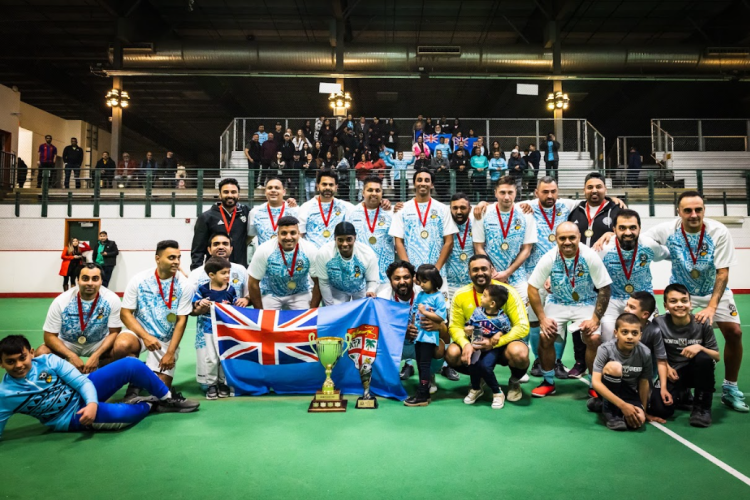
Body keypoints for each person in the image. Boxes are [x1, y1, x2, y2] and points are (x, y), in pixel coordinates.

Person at [645, 190, 747, 412]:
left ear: (704, 210)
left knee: (735, 333)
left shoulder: (718, 231)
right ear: (678, 211)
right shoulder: (667, 229)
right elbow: (641, 239)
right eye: (688, 210)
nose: (693, 214)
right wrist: (609, 236)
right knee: (664, 333)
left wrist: (711, 307)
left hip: (713, 289)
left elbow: (722, 273)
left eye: (698, 209)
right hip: (681, 291)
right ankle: (668, 380)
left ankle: (730, 388)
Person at [0, 336, 199, 440]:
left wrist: (92, 402)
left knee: (132, 364)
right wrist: (90, 406)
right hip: (70, 416)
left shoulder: (48, 360)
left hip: (85, 389)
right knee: (122, 415)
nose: (18, 365)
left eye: (22, 358)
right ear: (1, 364)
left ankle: (166, 397)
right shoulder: (5, 395)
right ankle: (150, 405)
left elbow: (82, 382)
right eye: (10, 362)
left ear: (31, 353)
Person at [527, 222, 612, 398]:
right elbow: (532, 287)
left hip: (585, 302)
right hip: (557, 301)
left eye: (572, 237)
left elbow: (604, 288)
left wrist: (595, 319)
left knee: (593, 338)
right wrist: (542, 318)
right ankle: (548, 382)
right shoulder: (549, 257)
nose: (567, 242)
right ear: (556, 239)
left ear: (579, 238)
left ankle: (594, 383)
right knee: (545, 336)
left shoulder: (590, 256)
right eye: (562, 238)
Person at [114, 240, 196, 399]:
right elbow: (125, 313)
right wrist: (146, 336)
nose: (177, 262)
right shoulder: (139, 280)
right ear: (157, 258)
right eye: (171, 258)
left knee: (160, 393)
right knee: (122, 345)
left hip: (165, 339)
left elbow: (181, 321)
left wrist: (170, 353)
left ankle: (142, 373)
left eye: (178, 257)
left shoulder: (185, 285)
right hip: (140, 334)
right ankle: (136, 376)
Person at [445, 255, 530, 404]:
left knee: (520, 353)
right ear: (469, 272)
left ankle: (514, 381)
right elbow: (455, 327)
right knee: (452, 354)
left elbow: (522, 326)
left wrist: (495, 341)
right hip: (475, 343)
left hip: (502, 344)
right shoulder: (460, 295)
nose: (480, 273)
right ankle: (480, 377)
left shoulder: (507, 292)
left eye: (484, 268)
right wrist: (465, 344)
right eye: (475, 269)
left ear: (491, 270)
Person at [566, 172, 622, 378]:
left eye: (598, 186)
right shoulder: (575, 210)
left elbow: (627, 229)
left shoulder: (616, 209)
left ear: (605, 189)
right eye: (590, 187)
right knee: (579, 317)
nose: (594, 190)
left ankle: (606, 361)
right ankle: (580, 361)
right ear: (584, 189)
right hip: (579, 273)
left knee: (601, 319)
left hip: (605, 273)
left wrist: (613, 232)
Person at [647, 284, 720, 427]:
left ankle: (702, 408)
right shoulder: (659, 323)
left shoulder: (702, 322)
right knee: (659, 409)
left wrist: (699, 347)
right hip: (673, 373)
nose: (680, 305)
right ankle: (683, 395)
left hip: (696, 371)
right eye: (673, 301)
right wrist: (666, 367)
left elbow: (716, 356)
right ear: (666, 305)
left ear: (690, 304)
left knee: (704, 358)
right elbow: (656, 351)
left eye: (684, 300)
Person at [36, 263, 128, 373]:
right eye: (85, 279)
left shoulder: (112, 299)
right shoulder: (61, 301)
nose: (90, 283)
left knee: (124, 347)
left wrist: (96, 355)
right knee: (42, 353)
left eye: (95, 279)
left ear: (101, 281)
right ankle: (64, 371)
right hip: (68, 343)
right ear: (77, 280)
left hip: (98, 343)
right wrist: (71, 355)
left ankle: (100, 369)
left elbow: (115, 332)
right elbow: (49, 336)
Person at [597, 210, 669, 341]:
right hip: (612, 299)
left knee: (651, 336)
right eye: (622, 228)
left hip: (643, 299)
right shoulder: (603, 248)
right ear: (614, 229)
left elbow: (670, 255)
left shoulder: (649, 245)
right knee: (607, 336)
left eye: (632, 228)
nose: (628, 232)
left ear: (640, 228)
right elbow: (583, 263)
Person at [390, 169, 458, 297]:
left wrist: (435, 270)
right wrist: (411, 271)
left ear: (432, 185)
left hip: (438, 274)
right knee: (413, 312)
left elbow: (449, 242)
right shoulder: (402, 209)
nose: (423, 183)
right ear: (414, 183)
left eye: (427, 180)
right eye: (419, 180)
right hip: (414, 276)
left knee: (439, 313)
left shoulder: (443, 209)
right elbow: (398, 242)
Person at [472, 176, 537, 306]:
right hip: (490, 276)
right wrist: (493, 273)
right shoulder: (484, 212)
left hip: (517, 276)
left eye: (510, 192)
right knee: (490, 316)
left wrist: (507, 273)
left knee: (523, 316)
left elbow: (527, 249)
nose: (506, 197)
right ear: (495, 193)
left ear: (516, 193)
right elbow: (478, 247)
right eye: (502, 192)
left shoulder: (526, 214)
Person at [462, 284, 524, 409]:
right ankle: (476, 388)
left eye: (484, 296)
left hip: (493, 348)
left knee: (486, 366)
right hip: (477, 345)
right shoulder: (478, 311)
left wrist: (499, 334)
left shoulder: (502, 318)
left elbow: (507, 330)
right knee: (473, 365)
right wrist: (468, 329)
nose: (481, 298)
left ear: (492, 304)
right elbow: (471, 324)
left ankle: (497, 392)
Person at [591, 313, 651, 431]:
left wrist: (643, 409)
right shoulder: (605, 349)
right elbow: (596, 382)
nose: (629, 337)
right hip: (608, 386)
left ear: (640, 335)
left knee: (638, 420)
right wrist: (623, 406)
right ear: (616, 333)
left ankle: (600, 403)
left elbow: (644, 382)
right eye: (625, 332)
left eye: (634, 333)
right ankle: (609, 411)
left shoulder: (645, 353)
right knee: (615, 367)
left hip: (629, 392)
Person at [192, 256, 239, 400]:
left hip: (226, 330)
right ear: (211, 275)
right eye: (223, 273)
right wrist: (200, 303)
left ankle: (223, 383)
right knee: (211, 358)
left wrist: (239, 304)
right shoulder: (204, 289)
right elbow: (195, 304)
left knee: (223, 356)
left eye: (228, 272)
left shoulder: (231, 289)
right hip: (209, 328)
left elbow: (235, 305)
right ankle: (211, 383)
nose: (227, 276)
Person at [248, 216, 319, 310]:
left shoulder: (310, 249)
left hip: (300, 292)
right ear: (277, 234)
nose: (288, 237)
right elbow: (253, 282)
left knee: (304, 323)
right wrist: (260, 312)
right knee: (267, 323)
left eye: (293, 233)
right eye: (284, 233)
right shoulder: (264, 249)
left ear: (299, 234)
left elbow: (318, 282)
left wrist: (311, 311)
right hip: (271, 293)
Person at [403, 265, 449, 407]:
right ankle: (424, 393)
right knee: (420, 365)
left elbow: (441, 317)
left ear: (434, 280)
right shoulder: (420, 295)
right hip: (418, 336)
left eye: (425, 281)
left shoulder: (439, 297)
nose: (421, 284)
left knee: (425, 365)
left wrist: (425, 311)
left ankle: (422, 394)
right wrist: (411, 324)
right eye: (420, 281)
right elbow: (414, 313)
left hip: (429, 337)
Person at [622, 291, 671, 421]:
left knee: (661, 409)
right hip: (622, 375)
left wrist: (663, 388)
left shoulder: (654, 331)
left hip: (644, 376)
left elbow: (661, 360)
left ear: (645, 315)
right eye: (627, 305)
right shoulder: (621, 325)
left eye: (632, 307)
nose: (626, 309)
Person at [310, 222, 379, 306]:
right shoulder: (324, 253)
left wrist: (370, 290)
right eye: (340, 240)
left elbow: (371, 280)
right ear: (335, 238)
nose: (345, 244)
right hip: (336, 290)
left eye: (349, 239)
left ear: (355, 238)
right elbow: (324, 283)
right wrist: (329, 306)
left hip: (359, 289)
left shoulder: (367, 254)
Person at [348, 176, 395, 298]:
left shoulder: (391, 213)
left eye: (377, 190)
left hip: (385, 278)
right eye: (370, 190)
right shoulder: (351, 213)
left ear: (382, 193)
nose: (374, 193)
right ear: (363, 192)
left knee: (383, 315)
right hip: (359, 278)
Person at [191, 178, 251, 269]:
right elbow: (198, 250)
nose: (230, 195)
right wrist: (196, 272)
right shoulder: (206, 217)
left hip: (239, 270)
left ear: (238, 195)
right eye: (226, 192)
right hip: (214, 270)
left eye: (233, 192)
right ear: (220, 195)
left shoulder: (247, 213)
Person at [298, 171, 356, 249]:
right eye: (324, 184)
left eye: (331, 185)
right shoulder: (306, 207)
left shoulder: (345, 207)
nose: (328, 187)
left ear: (336, 187)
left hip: (335, 256)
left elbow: (362, 209)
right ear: (318, 186)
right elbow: (300, 235)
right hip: (312, 256)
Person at [247, 177, 299, 247]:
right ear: (265, 192)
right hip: (264, 256)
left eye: (277, 188)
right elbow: (250, 236)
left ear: (284, 192)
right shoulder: (255, 212)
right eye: (270, 188)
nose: (273, 190)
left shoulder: (295, 211)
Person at [445, 194, 474, 301]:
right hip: (448, 285)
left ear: (470, 209)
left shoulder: (477, 225)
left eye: (463, 208)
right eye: (455, 208)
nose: (458, 212)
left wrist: (483, 203)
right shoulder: (444, 226)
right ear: (450, 209)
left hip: (472, 284)